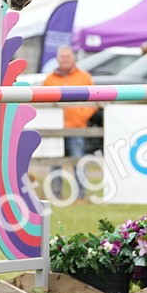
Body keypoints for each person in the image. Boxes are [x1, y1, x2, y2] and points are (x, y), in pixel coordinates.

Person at [42, 46, 97, 199]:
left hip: (76, 127)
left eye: (67, 56)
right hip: (56, 129)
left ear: (73, 58)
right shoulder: (50, 79)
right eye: (62, 56)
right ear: (58, 59)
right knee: (55, 162)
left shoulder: (84, 77)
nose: (65, 59)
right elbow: (43, 101)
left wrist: (81, 116)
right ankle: (55, 193)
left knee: (78, 161)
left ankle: (81, 194)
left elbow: (93, 101)